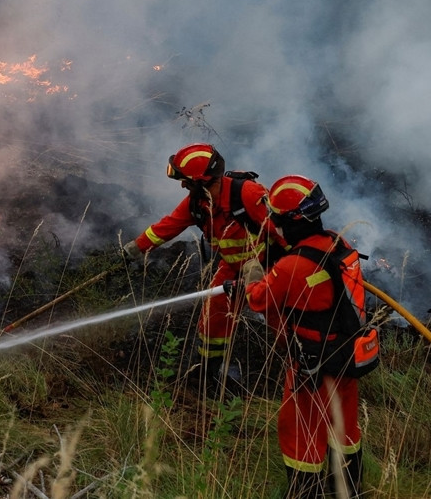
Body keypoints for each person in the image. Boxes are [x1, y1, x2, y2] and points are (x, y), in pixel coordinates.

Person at [235, 175, 370, 499]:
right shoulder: (339, 243)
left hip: (311, 365)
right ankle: (347, 491)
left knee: (300, 432)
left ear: (289, 222)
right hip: (346, 356)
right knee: (344, 426)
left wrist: (253, 271)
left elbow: (258, 299)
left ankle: (304, 492)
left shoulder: (293, 266)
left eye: (278, 220)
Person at [123, 143, 282, 391]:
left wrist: (294, 268)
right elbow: (167, 227)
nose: (183, 185)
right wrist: (133, 250)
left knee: (281, 319)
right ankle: (206, 374)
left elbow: (283, 231)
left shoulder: (248, 195)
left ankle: (299, 367)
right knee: (213, 317)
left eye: (186, 180)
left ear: (201, 181)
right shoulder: (197, 204)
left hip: (269, 266)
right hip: (231, 267)